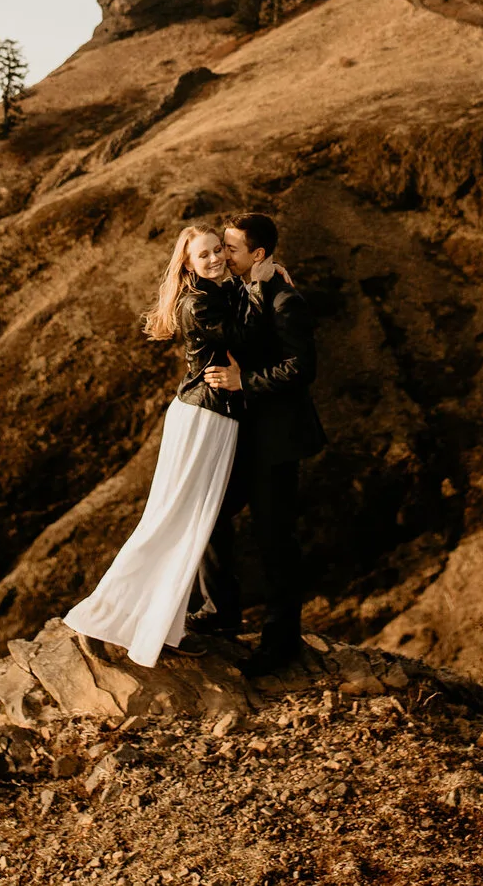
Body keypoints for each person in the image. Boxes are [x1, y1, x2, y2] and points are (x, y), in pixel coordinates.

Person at [61, 226, 250, 668]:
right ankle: (105, 614)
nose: (215, 258)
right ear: (187, 263)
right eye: (203, 255)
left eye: (218, 250)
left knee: (194, 521)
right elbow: (248, 340)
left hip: (212, 414)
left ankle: (160, 623)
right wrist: (265, 284)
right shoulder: (199, 302)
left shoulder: (214, 293)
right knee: (175, 521)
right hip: (205, 417)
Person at [197, 210, 326, 677]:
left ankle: (281, 640)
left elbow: (301, 369)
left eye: (230, 248)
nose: (223, 255)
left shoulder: (285, 300)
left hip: (275, 442)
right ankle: (220, 610)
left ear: (258, 254)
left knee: (275, 541)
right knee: (207, 516)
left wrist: (242, 381)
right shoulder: (237, 290)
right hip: (238, 438)